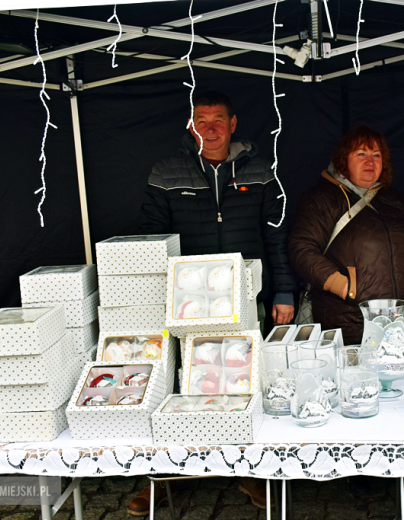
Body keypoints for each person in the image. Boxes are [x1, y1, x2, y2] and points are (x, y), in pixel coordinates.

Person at [129, 91, 296, 515]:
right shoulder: (166, 171)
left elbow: (276, 234)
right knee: (180, 384)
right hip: (186, 303)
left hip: (246, 297)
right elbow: (152, 240)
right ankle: (166, 474)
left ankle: (251, 472)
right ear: (190, 125)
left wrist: (282, 291)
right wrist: (155, 302)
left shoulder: (260, 169)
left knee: (244, 379)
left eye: (218, 119)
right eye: (201, 120)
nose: (210, 128)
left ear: (234, 123)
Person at [289, 125, 404, 344]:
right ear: (344, 159)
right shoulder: (321, 199)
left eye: (376, 155)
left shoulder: (396, 200)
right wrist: (343, 286)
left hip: (403, 319)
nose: (370, 161)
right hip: (350, 319)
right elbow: (302, 249)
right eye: (361, 154)